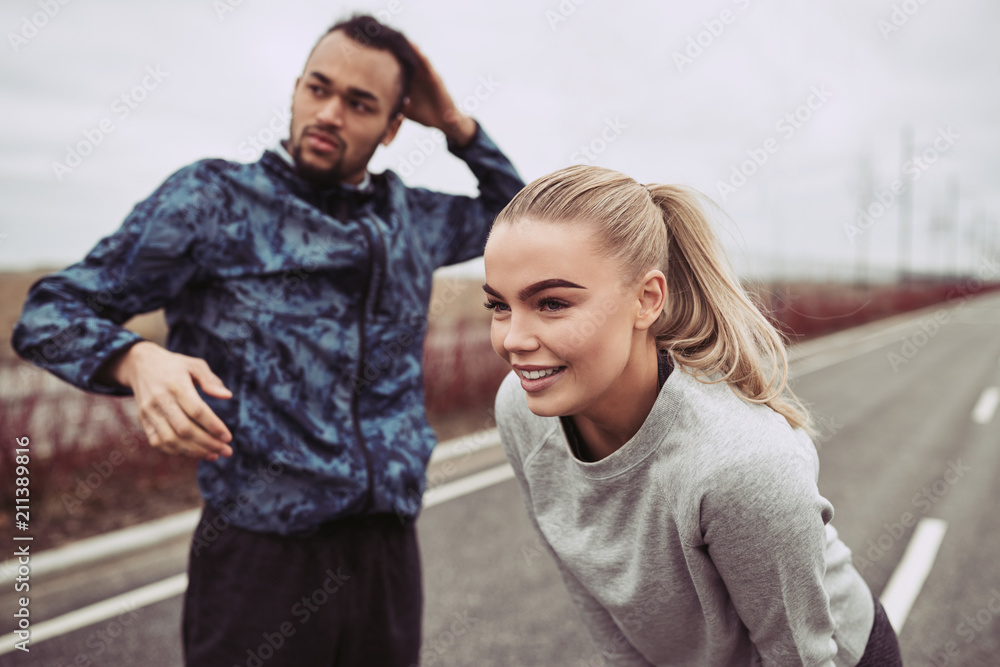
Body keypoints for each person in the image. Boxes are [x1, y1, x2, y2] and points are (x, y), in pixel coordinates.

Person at [12, 14, 523, 666]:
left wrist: (457, 126)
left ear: (395, 126)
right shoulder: (213, 201)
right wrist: (132, 358)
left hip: (386, 550)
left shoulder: (412, 218)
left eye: (360, 103)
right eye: (318, 88)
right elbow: (49, 312)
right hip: (259, 557)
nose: (330, 113)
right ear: (296, 89)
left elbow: (524, 220)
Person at [483, 165, 903, 666]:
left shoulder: (742, 466)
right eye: (499, 306)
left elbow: (800, 656)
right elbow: (590, 592)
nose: (513, 340)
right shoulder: (520, 407)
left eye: (551, 303)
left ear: (647, 300)